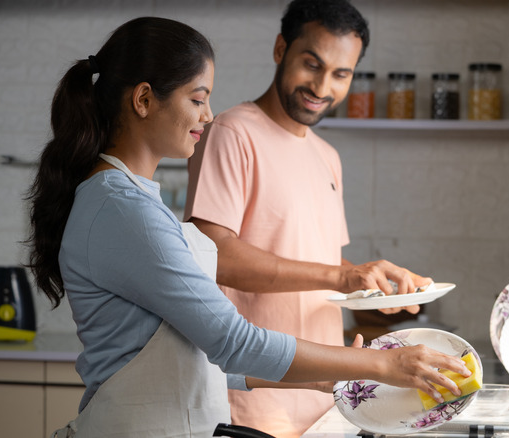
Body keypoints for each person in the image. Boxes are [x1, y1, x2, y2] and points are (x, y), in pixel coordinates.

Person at [25, 16, 468, 438]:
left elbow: (206, 357)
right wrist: (381, 365)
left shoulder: (132, 201)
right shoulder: (123, 209)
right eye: (197, 99)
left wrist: (337, 370)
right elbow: (231, 341)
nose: (208, 116)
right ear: (143, 100)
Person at [183, 1, 432, 435]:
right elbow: (214, 255)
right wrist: (341, 277)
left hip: (323, 402)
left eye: (341, 74)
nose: (322, 86)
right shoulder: (231, 132)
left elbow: (320, 267)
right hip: (252, 404)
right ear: (281, 49)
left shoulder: (327, 156)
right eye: (311, 64)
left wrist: (372, 280)